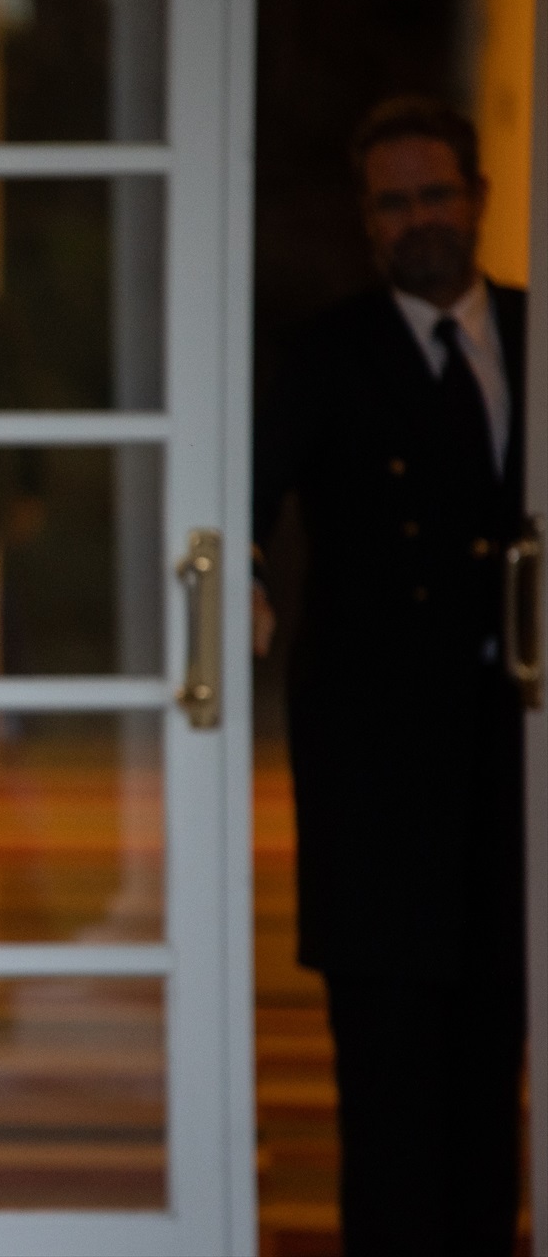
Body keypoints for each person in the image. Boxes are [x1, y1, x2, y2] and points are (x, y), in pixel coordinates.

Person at [252, 96, 527, 1255]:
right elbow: (238, 512)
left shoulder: (537, 328)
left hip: (520, 761)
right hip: (374, 769)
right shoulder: (322, 352)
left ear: (479, 196)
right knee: (386, 1076)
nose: (419, 218)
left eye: (436, 192)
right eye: (393, 200)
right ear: (369, 220)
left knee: (500, 1061)